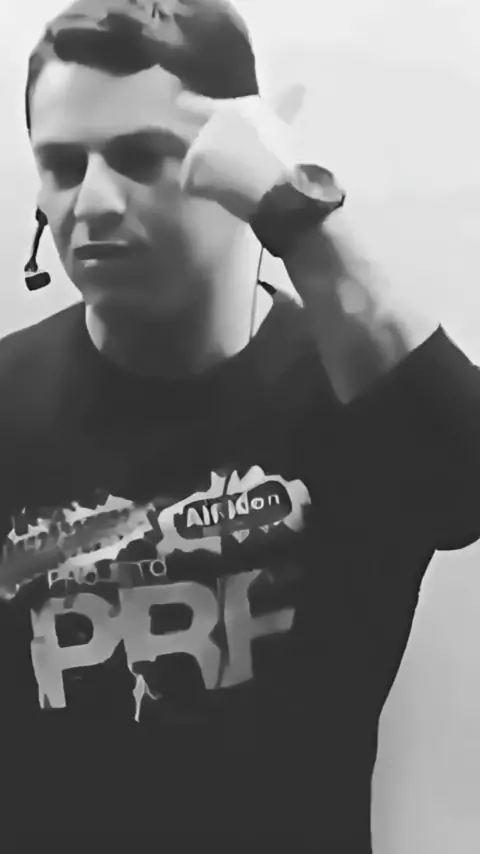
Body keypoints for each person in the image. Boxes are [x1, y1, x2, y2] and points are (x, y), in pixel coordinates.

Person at [1, 0, 480, 850]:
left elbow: (464, 490)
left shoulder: (356, 388)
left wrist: (293, 207)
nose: (94, 202)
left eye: (142, 157)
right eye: (63, 166)